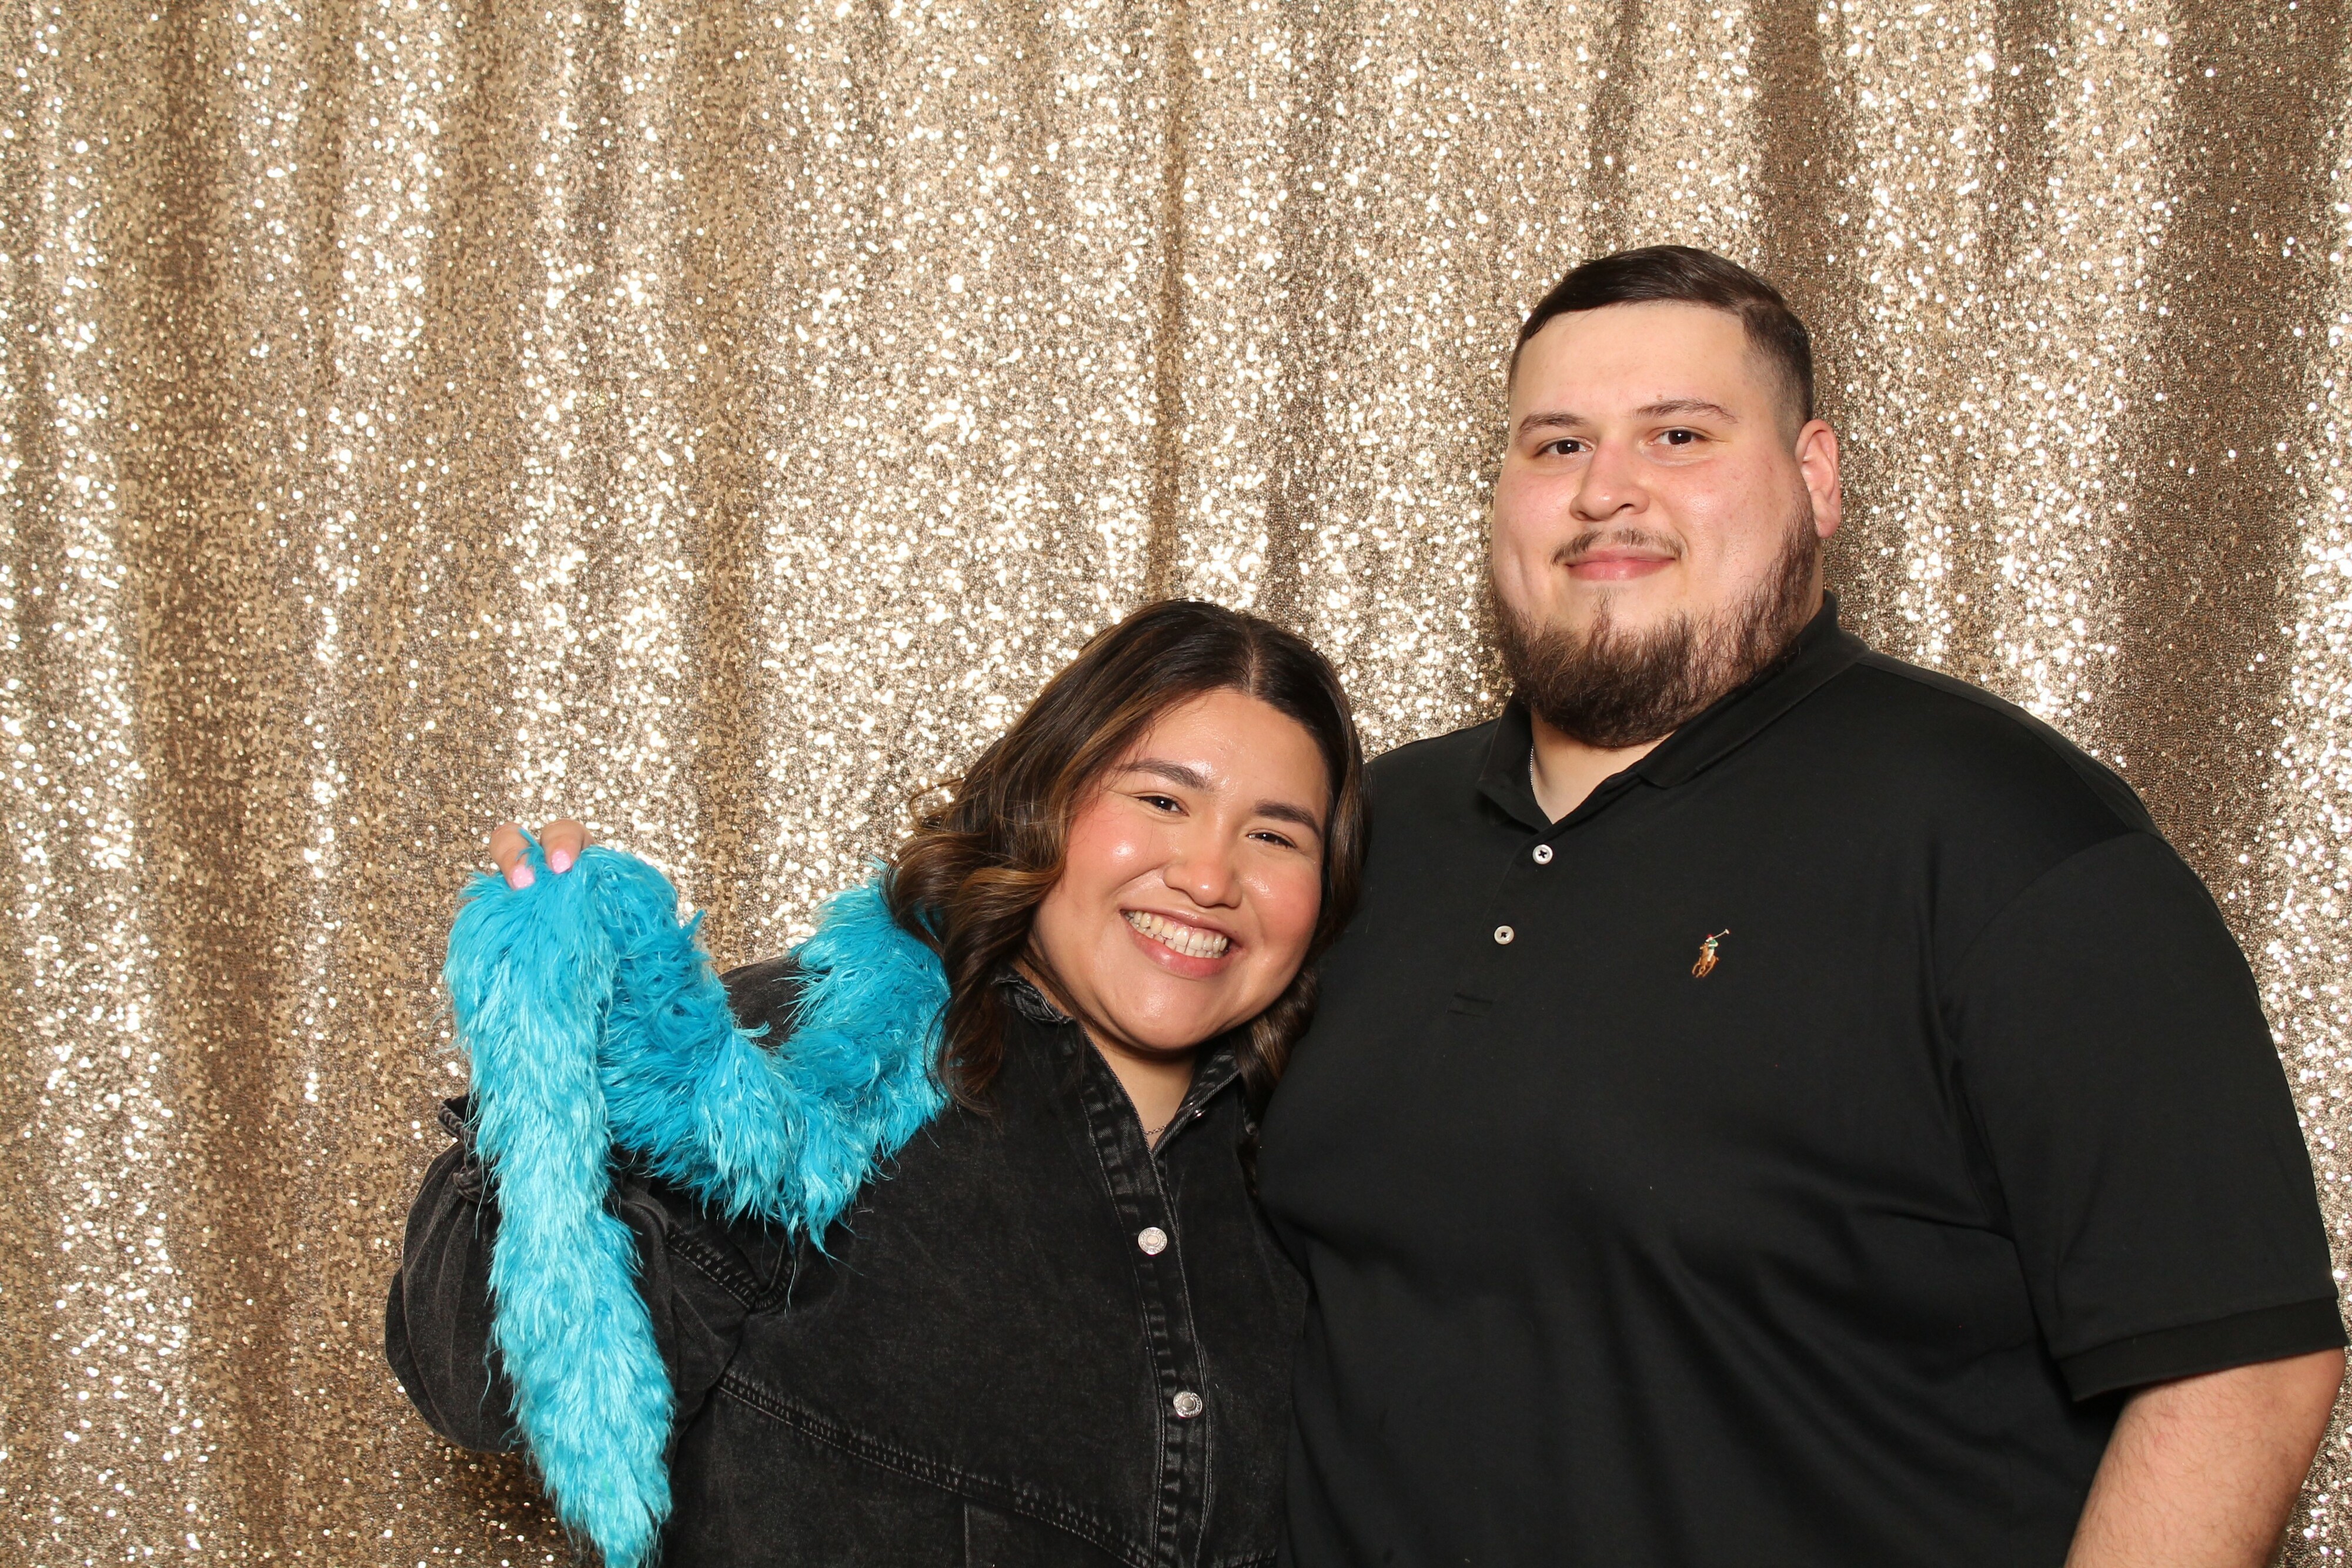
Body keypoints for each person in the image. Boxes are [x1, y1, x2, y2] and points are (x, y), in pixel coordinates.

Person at [1254, 246, 2347, 1567]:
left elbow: (2239, 1367)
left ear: (1816, 477)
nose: (1606, 489)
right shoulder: (1362, 831)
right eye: (1557, 444)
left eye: (1679, 434)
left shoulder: (2008, 832)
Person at [386, 599, 1366, 1567]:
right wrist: (550, 1064)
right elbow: (480, 1386)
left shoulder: (1323, 1197)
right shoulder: (816, 1059)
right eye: (1162, 801)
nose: (1209, 877)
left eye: (1275, 837)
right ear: (1047, 802)